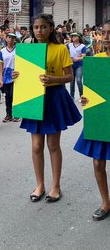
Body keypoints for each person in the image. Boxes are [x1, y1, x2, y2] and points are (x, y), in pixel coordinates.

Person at [19, 14, 81, 203]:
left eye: (43, 27)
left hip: (54, 98)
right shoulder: (28, 50)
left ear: (51, 28)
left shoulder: (60, 49)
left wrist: (52, 79)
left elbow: (69, 77)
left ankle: (56, 185)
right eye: (36, 27)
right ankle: (40, 185)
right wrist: (17, 75)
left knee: (53, 145)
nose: (39, 30)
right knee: (36, 146)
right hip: (33, 98)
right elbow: (23, 76)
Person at [74, 20, 110, 221]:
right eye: (104, 33)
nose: (106, 38)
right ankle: (105, 202)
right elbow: (92, 91)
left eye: (109, 34)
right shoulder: (97, 60)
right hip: (101, 117)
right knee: (98, 162)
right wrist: (86, 98)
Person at [0, 33, 20, 123]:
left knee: (14, 95)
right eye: (9, 37)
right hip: (6, 75)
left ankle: (17, 113)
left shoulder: (19, 49)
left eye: (13, 38)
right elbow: (0, 65)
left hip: (16, 75)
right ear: (6, 38)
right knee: (7, 96)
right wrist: (0, 77)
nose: (11, 39)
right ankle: (8, 114)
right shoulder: (2, 51)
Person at [67, 33, 86, 101]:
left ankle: (82, 95)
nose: (73, 37)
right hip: (71, 65)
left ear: (79, 37)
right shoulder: (69, 45)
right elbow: (65, 52)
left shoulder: (82, 46)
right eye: (72, 36)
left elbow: (83, 56)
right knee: (72, 81)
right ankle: (72, 96)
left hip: (79, 65)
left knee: (78, 80)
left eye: (75, 36)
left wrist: (76, 59)